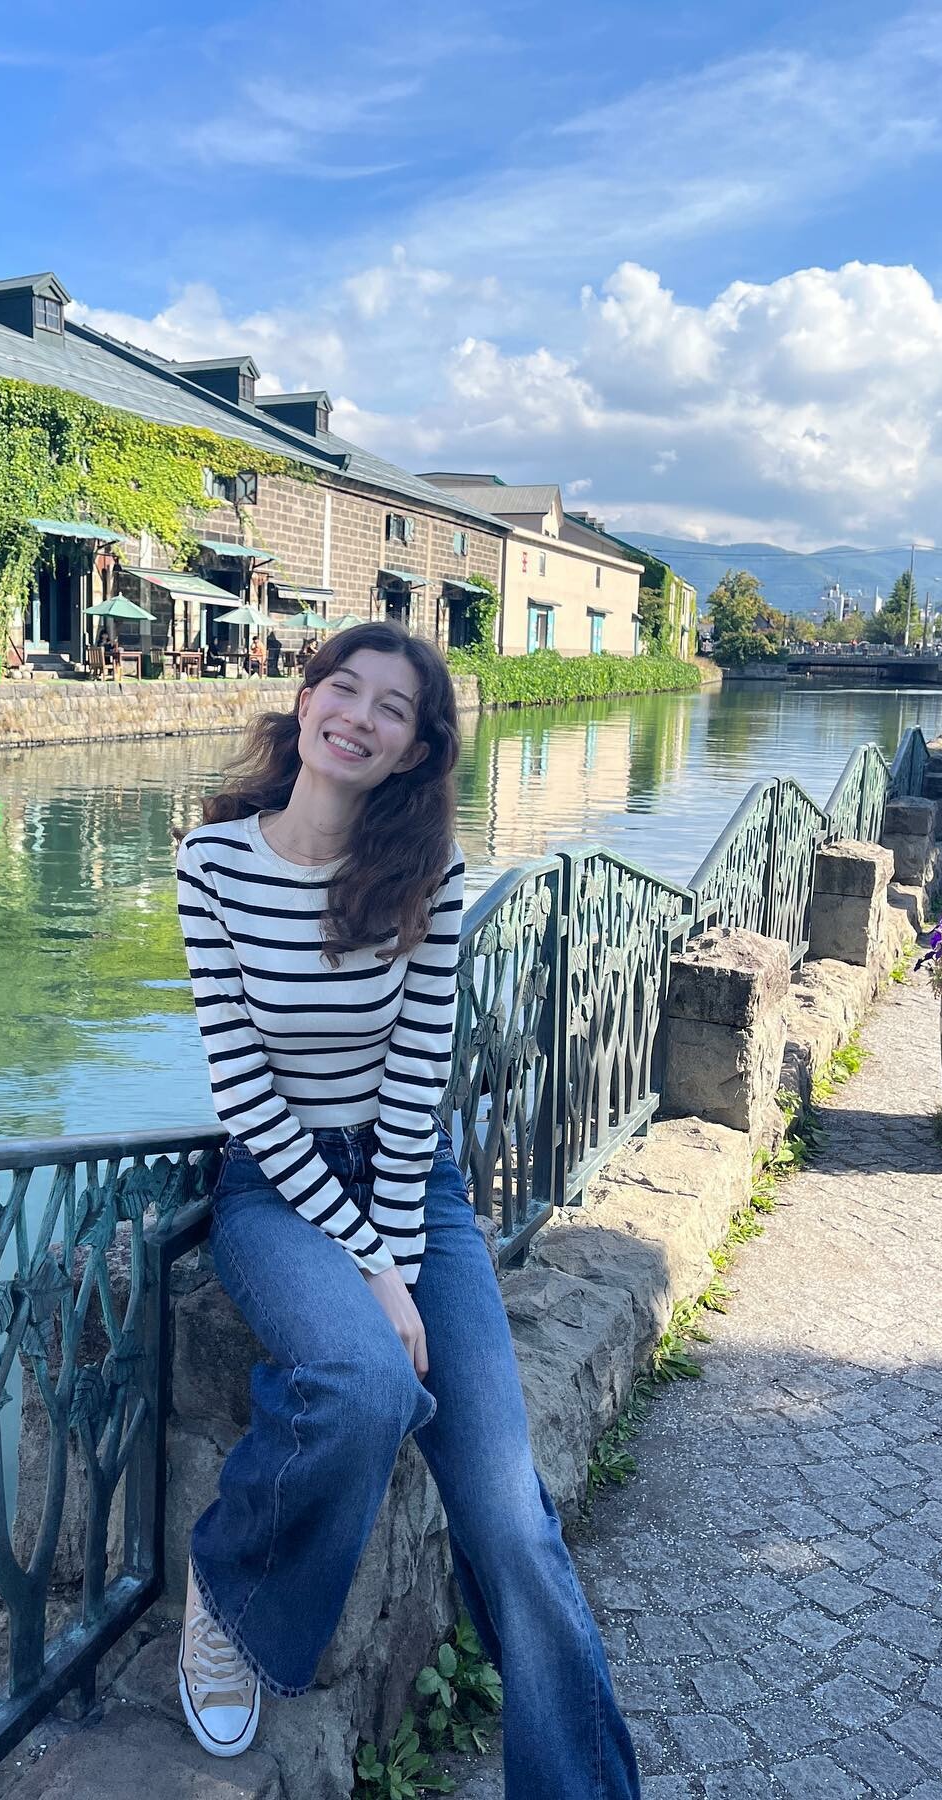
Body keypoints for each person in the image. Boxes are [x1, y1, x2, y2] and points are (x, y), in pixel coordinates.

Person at [172, 621, 639, 1797]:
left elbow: (415, 1083)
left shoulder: (428, 873)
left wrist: (392, 1244)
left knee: (510, 1517)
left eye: (393, 709)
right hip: (273, 1188)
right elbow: (243, 1091)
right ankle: (229, 1583)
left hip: (409, 1178)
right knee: (365, 1381)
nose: (360, 717)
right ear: (306, 700)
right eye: (345, 688)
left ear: (416, 750)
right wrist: (374, 1270)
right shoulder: (212, 862)